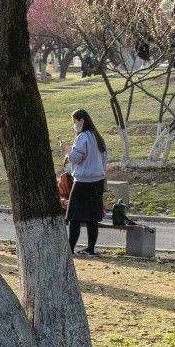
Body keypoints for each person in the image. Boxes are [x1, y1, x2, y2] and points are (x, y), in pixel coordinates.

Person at [62, 107, 107, 255]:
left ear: (81, 121)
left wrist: (67, 151)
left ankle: (70, 248)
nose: (74, 125)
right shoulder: (97, 136)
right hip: (98, 180)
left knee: (74, 216)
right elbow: (104, 159)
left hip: (83, 181)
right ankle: (90, 248)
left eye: (74, 122)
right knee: (92, 217)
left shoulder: (83, 137)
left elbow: (77, 157)